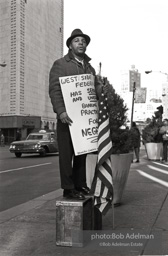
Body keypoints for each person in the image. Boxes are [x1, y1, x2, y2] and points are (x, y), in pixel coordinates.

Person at [49, 29, 104, 200]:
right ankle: (68, 188)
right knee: (67, 155)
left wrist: (99, 87)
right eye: (77, 41)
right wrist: (61, 111)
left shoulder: (90, 68)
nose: (81, 43)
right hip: (67, 118)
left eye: (83, 41)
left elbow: (92, 93)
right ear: (70, 46)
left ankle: (80, 184)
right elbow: (55, 90)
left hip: (83, 118)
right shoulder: (60, 64)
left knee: (82, 153)